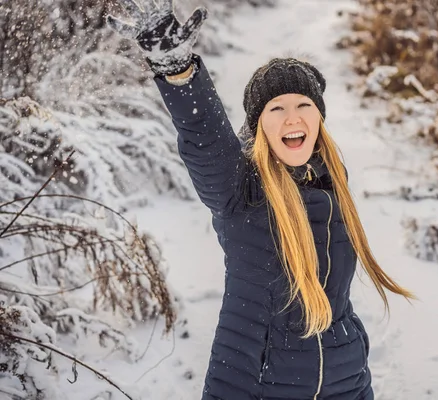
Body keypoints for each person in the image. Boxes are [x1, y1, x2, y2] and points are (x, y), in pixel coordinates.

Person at [107, 1, 415, 399]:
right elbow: (204, 135)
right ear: (259, 125)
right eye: (277, 107)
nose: (292, 117)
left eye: (304, 105)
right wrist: (178, 70)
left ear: (319, 118)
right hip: (253, 384)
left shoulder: (331, 183)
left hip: (345, 381)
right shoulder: (241, 191)